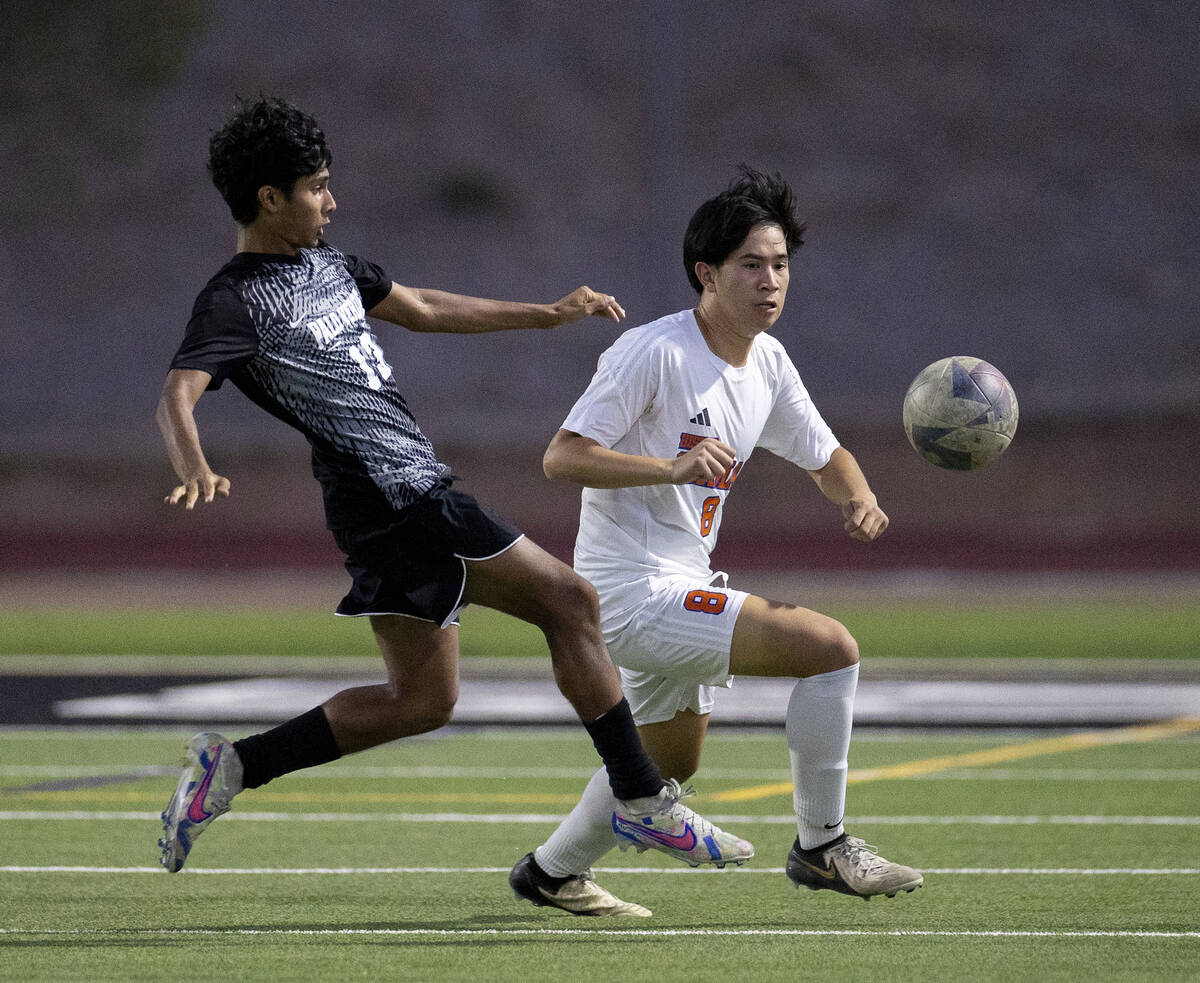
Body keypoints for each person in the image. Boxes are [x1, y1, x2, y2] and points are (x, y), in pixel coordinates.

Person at [154, 95, 751, 888]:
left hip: (381, 508)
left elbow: (427, 307)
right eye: (318, 187)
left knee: (422, 701)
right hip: (401, 496)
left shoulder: (332, 265)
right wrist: (192, 460)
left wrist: (546, 314)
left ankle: (231, 766)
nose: (331, 201)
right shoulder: (233, 299)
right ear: (270, 197)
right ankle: (641, 796)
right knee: (570, 601)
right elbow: (178, 391)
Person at [509, 167, 923, 916]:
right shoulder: (653, 351)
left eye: (781, 264)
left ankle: (549, 870)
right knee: (830, 647)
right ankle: (822, 846)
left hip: (681, 577)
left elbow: (828, 457)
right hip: (630, 592)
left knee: (667, 758)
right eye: (752, 265)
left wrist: (858, 495)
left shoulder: (767, 361)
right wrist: (669, 464)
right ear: (707, 273)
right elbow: (561, 456)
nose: (771, 281)